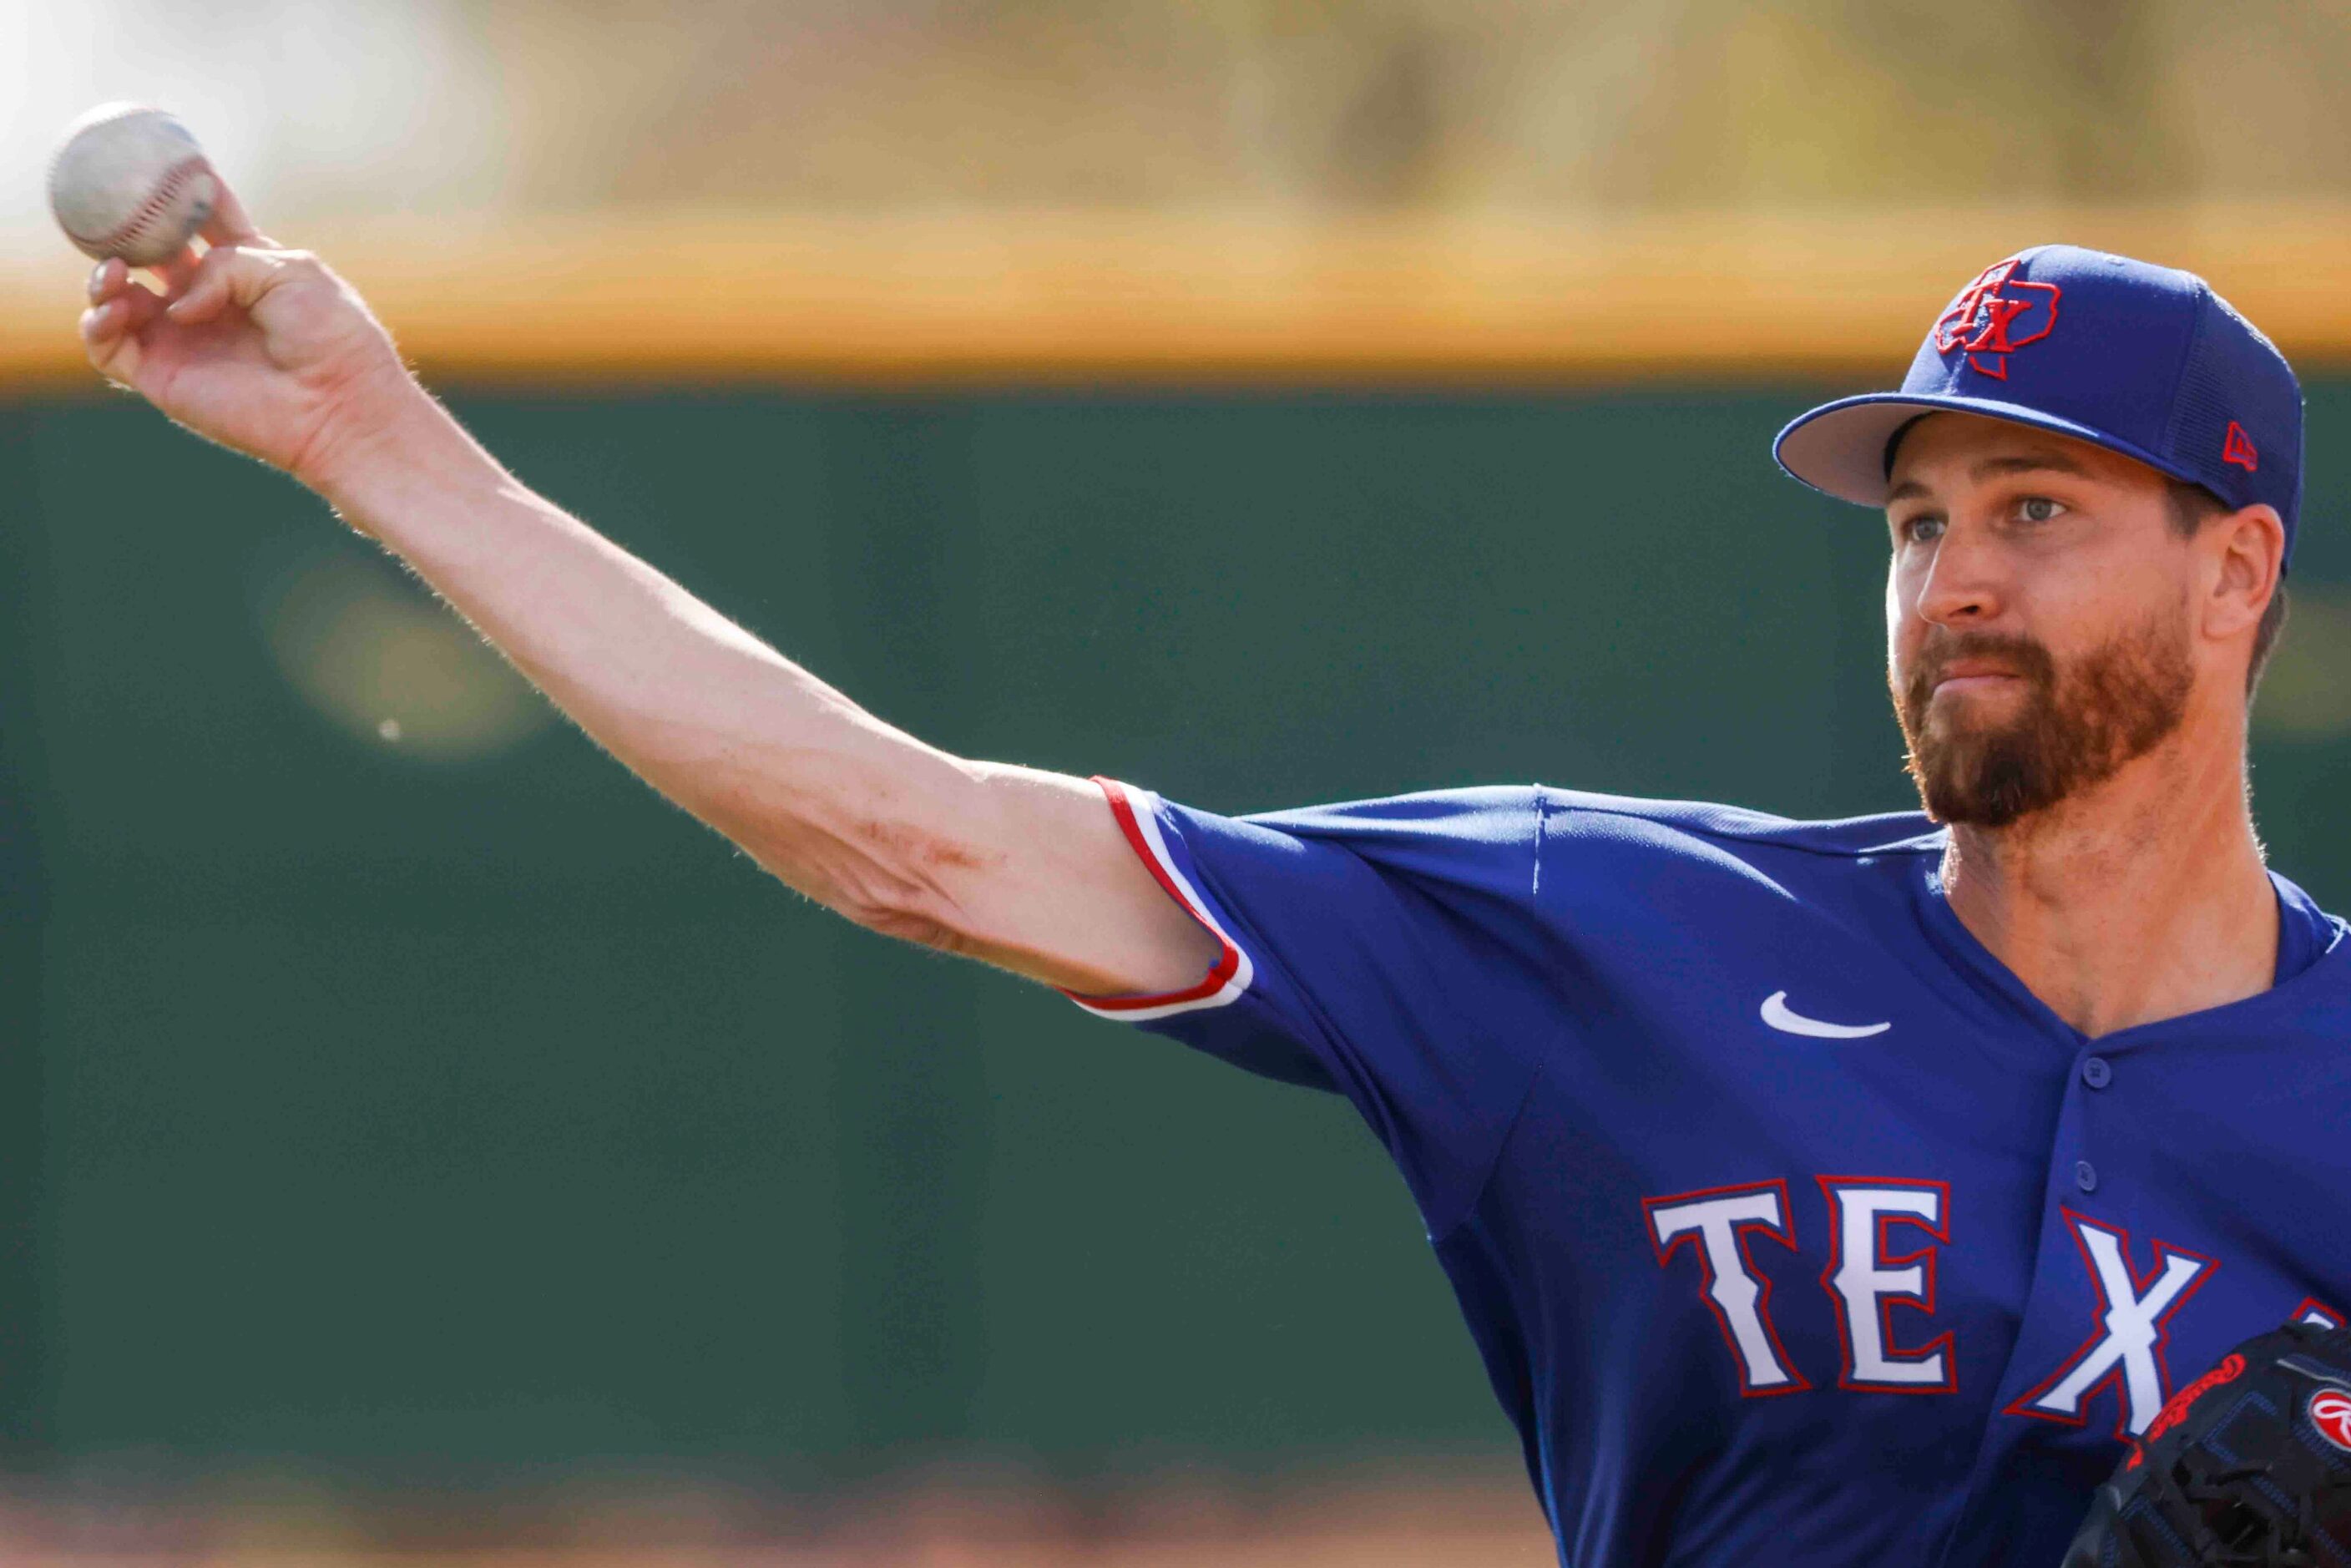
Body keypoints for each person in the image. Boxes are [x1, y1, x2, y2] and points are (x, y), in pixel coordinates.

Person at [78, 190, 2347, 1566]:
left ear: (2237, 574)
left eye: (2039, 513)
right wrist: (361, 431)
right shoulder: (1626, 942)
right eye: (1918, 520)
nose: (1953, 577)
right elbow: (914, 835)